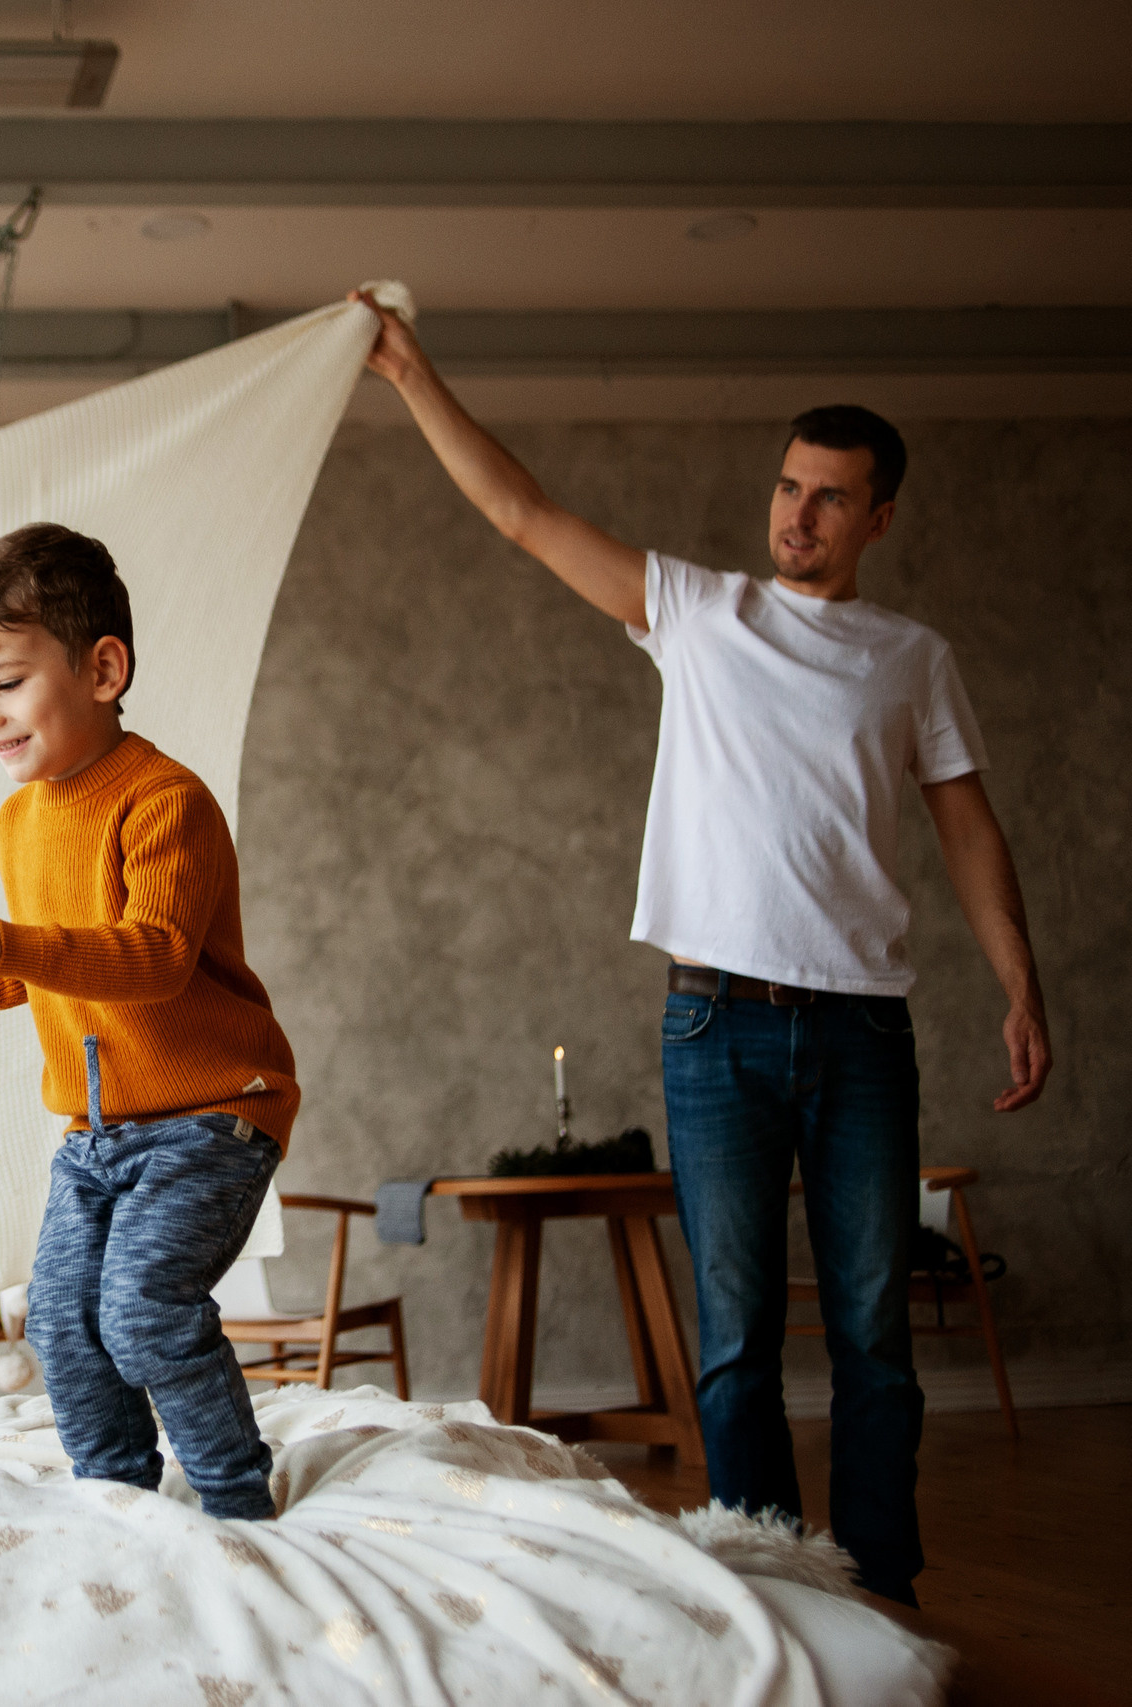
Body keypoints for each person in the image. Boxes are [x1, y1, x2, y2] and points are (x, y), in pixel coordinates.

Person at [356, 292, 1048, 1604]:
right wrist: (408, 371)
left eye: (832, 498)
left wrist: (1022, 978)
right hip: (714, 1026)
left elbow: (967, 823)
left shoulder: (913, 658)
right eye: (789, 486)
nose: (798, 514)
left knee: (872, 1336)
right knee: (730, 1340)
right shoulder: (698, 610)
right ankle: (766, 1593)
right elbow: (522, 513)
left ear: (878, 518)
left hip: (862, 1028)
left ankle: (882, 1597)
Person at [0, 523, 301, 1520]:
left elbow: (148, 960)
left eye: (6, 683)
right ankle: (115, 1500)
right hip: (96, 1136)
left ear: (102, 668)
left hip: (211, 1120)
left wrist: (6, 941)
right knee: (61, 1323)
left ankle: (238, 1501)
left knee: (142, 1310)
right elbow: (37, 973)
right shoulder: (21, 819)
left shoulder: (164, 802)